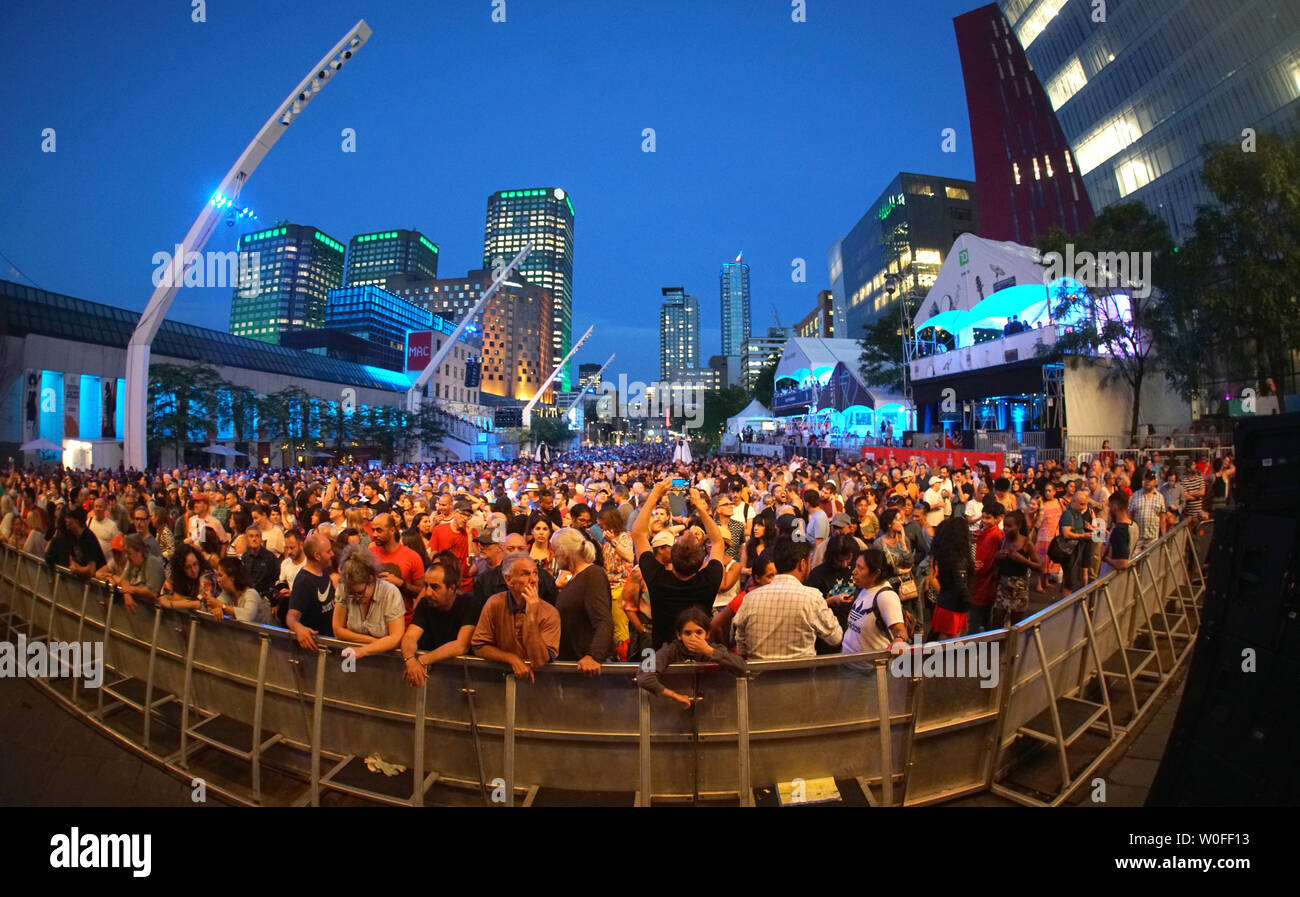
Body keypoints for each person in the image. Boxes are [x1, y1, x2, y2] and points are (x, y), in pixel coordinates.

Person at [630, 480, 728, 648]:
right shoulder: (709, 579)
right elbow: (718, 541)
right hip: (698, 649)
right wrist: (699, 506)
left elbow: (638, 533)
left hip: (663, 651)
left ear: (672, 556)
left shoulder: (657, 578)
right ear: (701, 560)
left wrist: (654, 494)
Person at [733, 536, 843, 660]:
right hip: (800, 676)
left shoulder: (750, 598)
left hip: (759, 676)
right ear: (802, 564)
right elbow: (836, 638)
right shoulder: (812, 598)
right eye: (809, 561)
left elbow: (741, 646)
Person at [471, 552, 562, 682]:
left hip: (539, 685)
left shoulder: (550, 613)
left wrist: (531, 618)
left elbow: (539, 660)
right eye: (525, 574)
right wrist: (512, 659)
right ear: (509, 580)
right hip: (501, 682)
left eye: (535, 573)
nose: (534, 580)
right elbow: (479, 647)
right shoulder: (495, 603)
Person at [638, 607, 747, 707]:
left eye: (699, 632)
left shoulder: (715, 649)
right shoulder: (671, 650)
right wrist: (674, 695)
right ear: (679, 635)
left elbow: (742, 667)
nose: (693, 638)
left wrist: (709, 651)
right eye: (687, 633)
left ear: (707, 634)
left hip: (712, 706)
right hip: (676, 710)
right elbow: (644, 676)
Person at [400, 557, 479, 687]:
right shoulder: (424, 604)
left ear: (452, 589)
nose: (428, 592)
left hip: (465, 678)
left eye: (435, 587)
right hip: (435, 676)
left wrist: (421, 661)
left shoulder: (469, 604)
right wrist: (410, 660)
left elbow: (461, 645)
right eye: (426, 586)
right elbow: (409, 637)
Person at [552, 527, 614, 675]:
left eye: (554, 550)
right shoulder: (574, 578)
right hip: (573, 662)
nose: (553, 555)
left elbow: (603, 620)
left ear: (564, 551)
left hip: (587, 668)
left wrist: (593, 655)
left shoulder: (593, 575)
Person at [331, 544, 406, 660]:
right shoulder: (343, 588)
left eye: (360, 592)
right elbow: (338, 629)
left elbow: (396, 638)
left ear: (371, 579)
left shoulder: (390, 593)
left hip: (385, 660)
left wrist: (362, 651)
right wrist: (373, 641)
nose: (356, 598)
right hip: (352, 657)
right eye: (352, 594)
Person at [842, 547, 909, 655]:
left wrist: (899, 639)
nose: (854, 572)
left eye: (860, 568)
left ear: (876, 573)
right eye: (855, 566)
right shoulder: (865, 588)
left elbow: (900, 630)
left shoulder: (886, 596)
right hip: (849, 663)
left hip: (869, 669)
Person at [369, 512, 426, 621]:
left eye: (379, 530)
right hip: (375, 620)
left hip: (403, 620)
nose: (375, 534)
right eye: (373, 530)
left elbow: (422, 591)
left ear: (392, 530)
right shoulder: (369, 553)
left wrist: (401, 584)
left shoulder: (412, 557)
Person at [925, 517, 974, 641]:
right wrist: (968, 601)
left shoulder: (945, 555)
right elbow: (960, 586)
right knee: (950, 638)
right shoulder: (958, 559)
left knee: (942, 636)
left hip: (945, 601)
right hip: (953, 606)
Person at [286, 534, 336, 649]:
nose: (332, 554)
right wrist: (298, 628)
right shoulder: (304, 582)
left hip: (329, 644)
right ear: (317, 556)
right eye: (328, 552)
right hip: (316, 650)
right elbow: (291, 616)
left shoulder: (324, 573)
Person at [106, 533, 166, 615]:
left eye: (129, 552)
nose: (126, 556)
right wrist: (127, 594)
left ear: (139, 551)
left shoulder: (152, 562)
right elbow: (124, 580)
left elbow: (152, 592)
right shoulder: (133, 563)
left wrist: (132, 589)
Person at [968, 500, 1004, 634]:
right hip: (982, 583)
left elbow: (985, 564)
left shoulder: (995, 536)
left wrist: (973, 568)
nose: (984, 520)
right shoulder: (986, 533)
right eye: (983, 517)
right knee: (984, 618)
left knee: (976, 620)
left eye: (988, 518)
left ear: (999, 518)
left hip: (984, 583)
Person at [205, 556, 272, 624]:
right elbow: (217, 604)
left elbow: (247, 616)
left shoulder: (251, 594)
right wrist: (217, 609)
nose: (218, 580)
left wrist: (222, 607)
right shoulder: (226, 593)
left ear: (232, 577)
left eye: (220, 575)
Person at [46, 510, 106, 578]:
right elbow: (72, 559)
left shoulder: (88, 538)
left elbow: (91, 570)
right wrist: (77, 567)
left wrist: (78, 569)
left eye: (69, 518)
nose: (66, 520)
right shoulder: (72, 535)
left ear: (76, 521)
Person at [1100, 493, 1139, 574]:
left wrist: (1105, 557)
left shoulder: (1119, 530)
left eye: (1110, 506)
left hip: (1113, 580)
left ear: (1115, 507)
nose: (1109, 510)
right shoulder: (1134, 525)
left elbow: (1122, 564)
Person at [241, 524, 280, 597]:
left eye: (257, 536)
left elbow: (276, 578)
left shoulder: (270, 557)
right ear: (247, 539)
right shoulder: (244, 557)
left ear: (261, 538)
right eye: (251, 536)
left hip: (265, 596)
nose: (254, 539)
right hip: (247, 595)